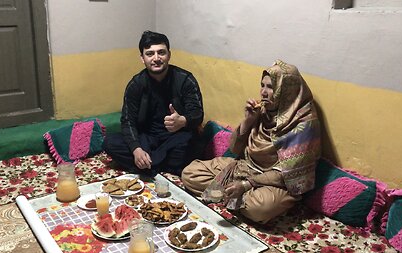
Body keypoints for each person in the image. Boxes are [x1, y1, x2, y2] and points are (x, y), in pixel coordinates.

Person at [182, 60, 321, 223]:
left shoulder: (304, 124)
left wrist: (246, 185)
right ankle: (234, 194)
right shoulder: (262, 111)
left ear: (287, 91)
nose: (263, 92)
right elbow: (234, 149)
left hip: (276, 183)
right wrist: (248, 121)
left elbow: (287, 174)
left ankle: (233, 193)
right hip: (244, 168)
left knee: (259, 209)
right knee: (189, 174)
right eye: (262, 85)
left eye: (270, 87)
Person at [103, 31, 204, 177]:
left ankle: (148, 166)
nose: (156, 58)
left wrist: (183, 121)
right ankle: (163, 166)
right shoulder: (136, 84)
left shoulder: (185, 79)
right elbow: (127, 121)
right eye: (150, 54)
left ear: (169, 55)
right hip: (147, 138)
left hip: (176, 136)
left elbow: (197, 114)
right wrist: (136, 149)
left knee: (194, 143)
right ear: (142, 58)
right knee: (110, 143)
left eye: (161, 53)